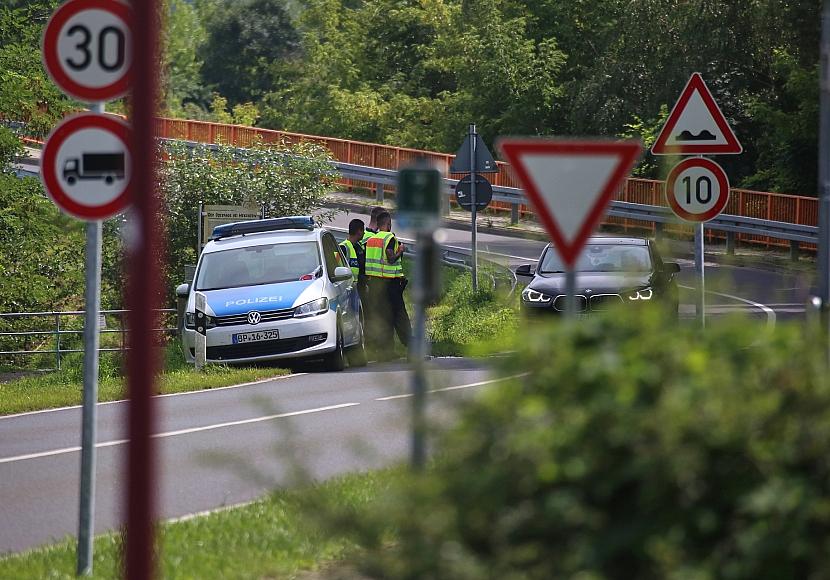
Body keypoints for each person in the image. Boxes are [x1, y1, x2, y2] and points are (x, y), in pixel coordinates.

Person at [365, 211, 411, 354]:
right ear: (389, 224)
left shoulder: (371, 240)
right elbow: (391, 258)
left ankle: (385, 352)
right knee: (400, 317)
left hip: (374, 285)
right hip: (390, 284)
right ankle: (412, 348)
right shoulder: (389, 238)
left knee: (384, 318)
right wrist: (401, 250)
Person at [339, 218, 368, 301]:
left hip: (359, 286)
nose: (364, 233)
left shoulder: (359, 247)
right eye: (363, 230)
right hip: (347, 288)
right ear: (359, 231)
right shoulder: (343, 247)